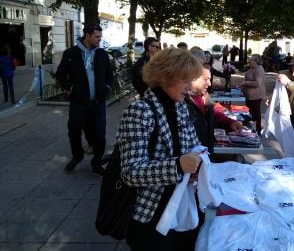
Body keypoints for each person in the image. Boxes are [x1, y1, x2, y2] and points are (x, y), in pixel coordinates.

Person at [117, 48, 203, 251]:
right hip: (150, 212)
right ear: (166, 77)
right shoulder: (139, 111)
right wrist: (178, 165)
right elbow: (130, 172)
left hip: (181, 205)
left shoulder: (180, 105)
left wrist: (196, 169)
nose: (190, 86)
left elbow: (193, 146)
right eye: (185, 80)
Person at [56, 24, 113, 175]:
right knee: (74, 131)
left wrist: (106, 87)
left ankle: (97, 163)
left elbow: (109, 74)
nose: (99, 40)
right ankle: (77, 156)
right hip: (78, 102)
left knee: (100, 134)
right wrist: (71, 88)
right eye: (97, 37)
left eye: (100, 37)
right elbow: (60, 74)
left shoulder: (102, 54)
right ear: (87, 35)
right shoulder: (70, 53)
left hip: (98, 102)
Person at [186, 64, 243, 157]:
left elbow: (213, 115)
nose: (209, 83)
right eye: (206, 79)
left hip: (206, 151)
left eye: (209, 79)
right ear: (193, 78)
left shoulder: (204, 95)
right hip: (192, 157)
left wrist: (230, 123)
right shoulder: (182, 100)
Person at [240, 54, 266, 134]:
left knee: (256, 114)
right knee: (250, 113)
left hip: (256, 95)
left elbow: (257, 83)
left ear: (255, 61)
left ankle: (257, 129)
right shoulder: (252, 68)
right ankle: (251, 129)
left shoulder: (259, 70)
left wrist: (246, 82)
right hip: (249, 95)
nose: (249, 61)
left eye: (251, 60)